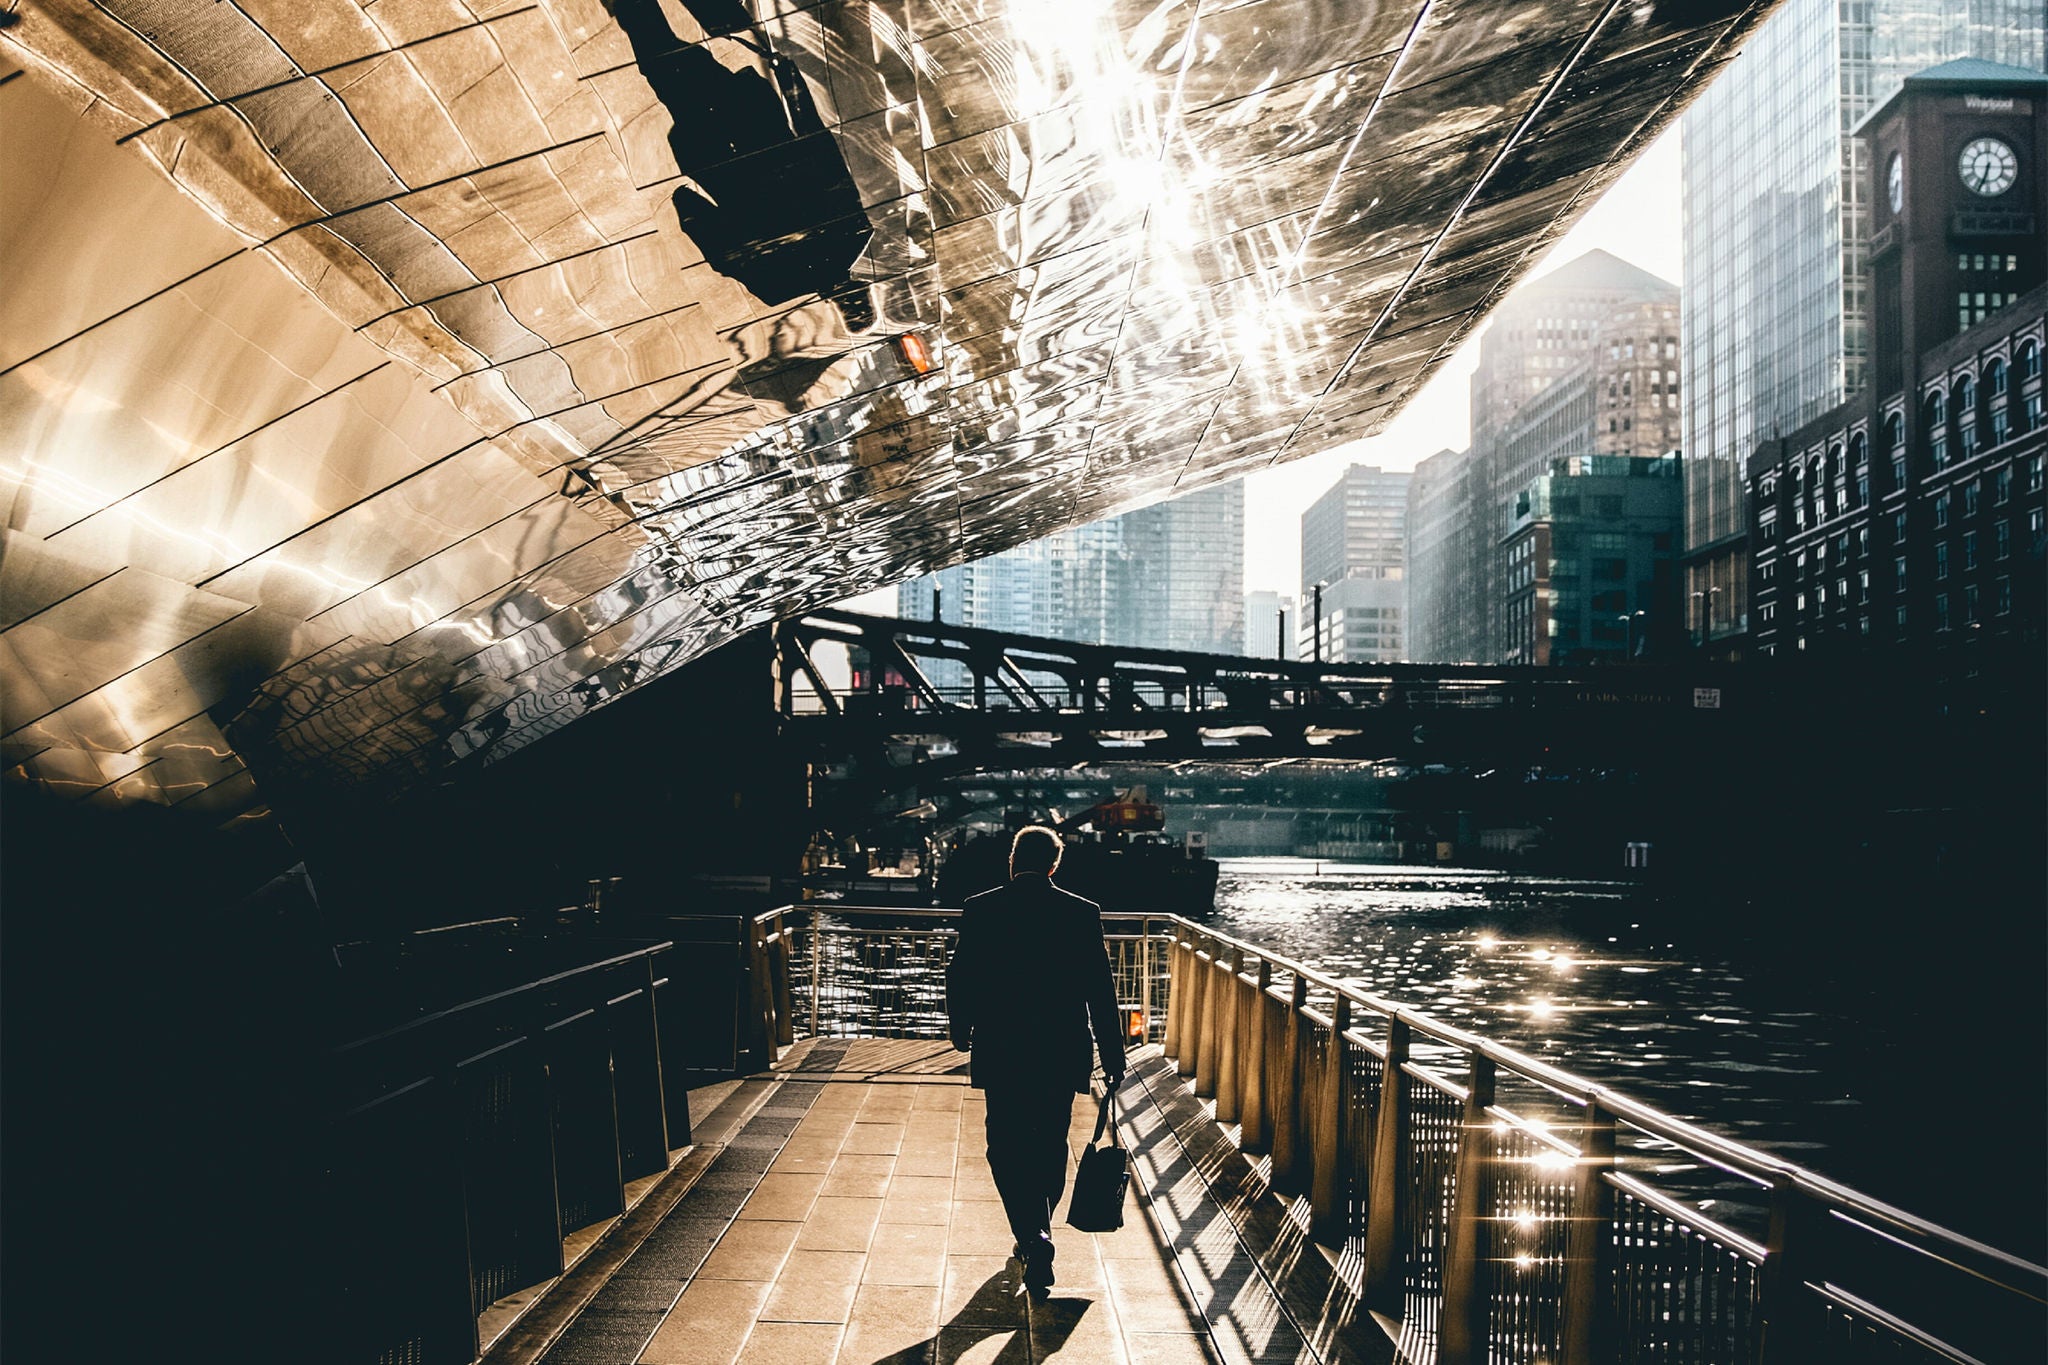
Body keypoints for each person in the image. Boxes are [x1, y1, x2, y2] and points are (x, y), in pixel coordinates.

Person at [947, 825, 1126, 1300]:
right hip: (1061, 1048)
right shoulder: (1082, 912)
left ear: (1012, 860)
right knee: (1050, 1142)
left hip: (1003, 1046)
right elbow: (1100, 989)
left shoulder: (981, 908)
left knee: (1004, 1144)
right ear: (1054, 865)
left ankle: (1032, 1234)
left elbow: (962, 974)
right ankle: (1037, 1229)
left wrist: (960, 1025)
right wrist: (1112, 1053)